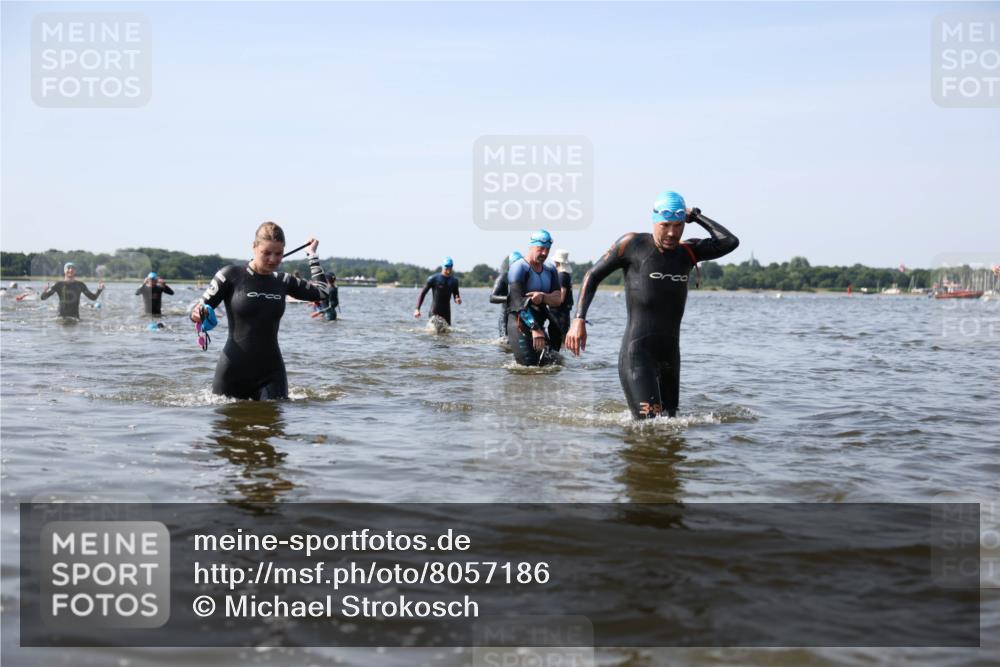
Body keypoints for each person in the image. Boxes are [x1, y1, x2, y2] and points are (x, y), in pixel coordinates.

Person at [565, 191, 739, 419]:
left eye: (678, 225)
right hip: (637, 354)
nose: (671, 232)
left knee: (670, 423)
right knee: (649, 426)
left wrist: (696, 216)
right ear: (654, 220)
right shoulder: (632, 244)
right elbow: (593, 274)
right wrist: (578, 319)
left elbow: (730, 242)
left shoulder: (688, 252)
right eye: (665, 225)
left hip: (670, 355)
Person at [190, 222, 328, 400]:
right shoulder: (230, 275)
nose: (273, 259)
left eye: (278, 254)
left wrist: (312, 255)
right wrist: (198, 314)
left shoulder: (283, 280)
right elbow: (198, 311)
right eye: (267, 253)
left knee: (274, 426)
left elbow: (322, 292)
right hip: (233, 370)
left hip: (271, 373)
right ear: (254, 247)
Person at [506, 230, 562, 366]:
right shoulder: (518, 268)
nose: (544, 253)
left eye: (547, 249)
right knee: (529, 368)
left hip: (539, 323)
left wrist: (542, 297)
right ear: (531, 246)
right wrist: (534, 327)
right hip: (520, 324)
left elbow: (558, 299)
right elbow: (516, 302)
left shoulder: (550, 269)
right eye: (540, 248)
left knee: (550, 365)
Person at [40, 262, 105, 319]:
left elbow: (93, 297)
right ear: (64, 271)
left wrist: (99, 290)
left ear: (75, 271)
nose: (70, 270)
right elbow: (43, 298)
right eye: (68, 268)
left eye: (73, 268)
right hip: (61, 318)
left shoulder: (80, 285)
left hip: (75, 317)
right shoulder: (58, 284)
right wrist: (45, 291)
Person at [414, 257, 462, 325]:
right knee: (434, 334)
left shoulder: (454, 281)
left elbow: (456, 295)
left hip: (446, 313)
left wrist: (457, 300)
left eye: (450, 266)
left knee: (447, 333)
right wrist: (417, 309)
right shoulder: (433, 279)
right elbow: (423, 293)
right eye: (446, 266)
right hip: (435, 312)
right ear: (443, 266)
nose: (448, 268)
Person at [489, 251, 523, 340]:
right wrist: (509, 298)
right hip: (506, 319)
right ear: (511, 265)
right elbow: (492, 298)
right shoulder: (503, 277)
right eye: (517, 265)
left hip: (519, 318)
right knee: (505, 346)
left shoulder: (524, 277)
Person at [548, 249, 574, 352]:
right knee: (557, 347)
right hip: (562, 315)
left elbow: (561, 298)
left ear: (557, 262)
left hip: (558, 316)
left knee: (555, 346)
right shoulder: (565, 275)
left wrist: (544, 298)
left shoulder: (562, 275)